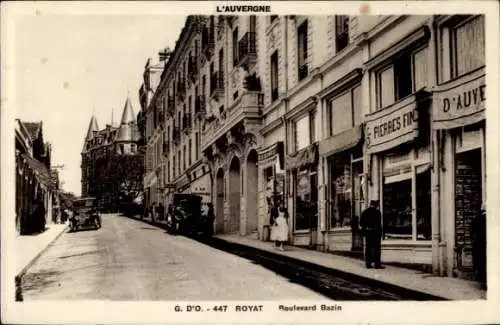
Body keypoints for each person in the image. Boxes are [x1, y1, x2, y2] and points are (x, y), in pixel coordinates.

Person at [360, 200, 384, 269]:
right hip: (376, 233)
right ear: (376, 205)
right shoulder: (377, 212)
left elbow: (361, 223)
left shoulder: (365, 212)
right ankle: (377, 264)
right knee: (376, 249)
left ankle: (368, 264)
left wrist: (366, 229)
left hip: (368, 233)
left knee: (368, 248)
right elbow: (379, 224)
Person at [471, 202, 486, 286]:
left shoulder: (476, 219)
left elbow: (472, 233)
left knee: (479, 261)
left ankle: (481, 277)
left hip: (479, 244)